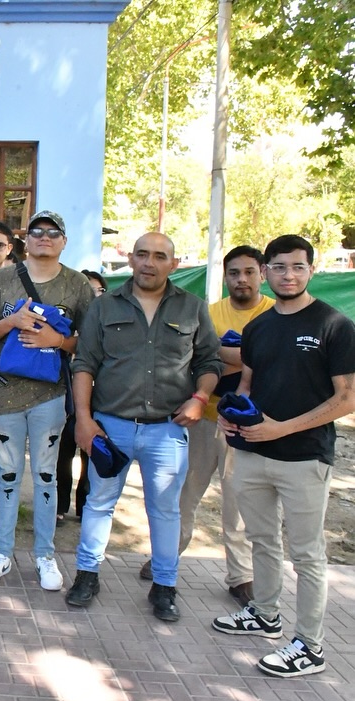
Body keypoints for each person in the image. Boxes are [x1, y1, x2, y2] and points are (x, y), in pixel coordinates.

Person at [211, 235, 355, 678]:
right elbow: (247, 384)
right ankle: (265, 613)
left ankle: (310, 646)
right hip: (252, 451)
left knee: (308, 555)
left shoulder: (334, 325)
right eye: (278, 267)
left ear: (312, 269)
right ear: (266, 271)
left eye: (297, 266)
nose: (287, 275)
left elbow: (347, 398)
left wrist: (282, 428)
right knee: (262, 539)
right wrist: (230, 416)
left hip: (305, 457)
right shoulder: (258, 327)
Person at [66, 231, 222, 621]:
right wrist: (84, 419)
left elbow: (209, 362)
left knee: (166, 510)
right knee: (98, 503)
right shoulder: (104, 307)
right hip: (111, 426)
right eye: (142, 254)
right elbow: (84, 364)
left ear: (174, 263)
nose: (149, 262)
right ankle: (87, 575)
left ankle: (165, 586)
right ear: (131, 259)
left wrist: (200, 397)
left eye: (159, 256)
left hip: (167, 430)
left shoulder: (192, 308)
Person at [140, 246, 273, 605]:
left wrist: (226, 355)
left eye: (248, 272)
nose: (241, 279)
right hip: (203, 417)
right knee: (183, 494)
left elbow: (268, 362)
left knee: (238, 502)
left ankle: (241, 576)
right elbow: (197, 359)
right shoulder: (210, 313)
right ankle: (166, 557)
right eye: (234, 273)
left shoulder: (273, 315)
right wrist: (244, 356)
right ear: (225, 276)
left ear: (261, 274)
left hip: (249, 426)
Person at [0, 212, 95, 591]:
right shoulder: (4, 278)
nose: (44, 237)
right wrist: (12, 322)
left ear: (64, 241)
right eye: (37, 231)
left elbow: (92, 343)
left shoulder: (77, 284)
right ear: (25, 240)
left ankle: (45, 554)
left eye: (53, 232)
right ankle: (1, 552)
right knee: (7, 476)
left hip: (51, 394)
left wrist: (57, 341)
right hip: (6, 392)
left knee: (46, 476)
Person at [56, 270, 108, 523]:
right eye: (87, 289)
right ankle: (59, 506)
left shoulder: (109, 323)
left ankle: (85, 505)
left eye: (98, 290)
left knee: (93, 453)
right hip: (67, 395)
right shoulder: (65, 323)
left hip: (100, 398)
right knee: (63, 453)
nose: (92, 295)